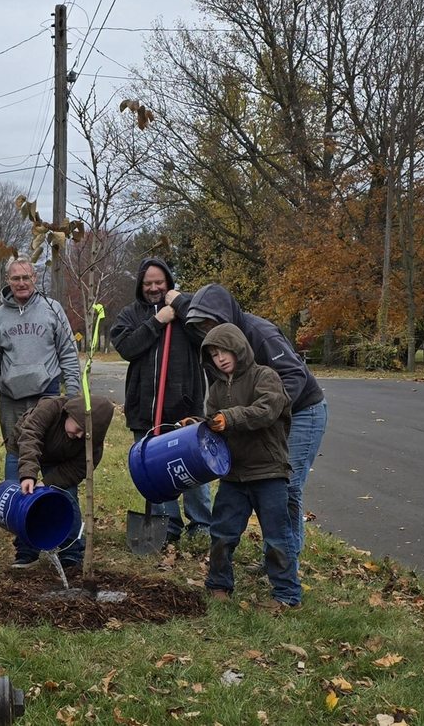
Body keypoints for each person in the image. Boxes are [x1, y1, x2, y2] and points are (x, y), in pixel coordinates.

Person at [185, 283, 328, 554]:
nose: (207, 332)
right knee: (254, 483)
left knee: (286, 486)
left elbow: (294, 375)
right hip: (255, 415)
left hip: (302, 410)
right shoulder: (215, 348)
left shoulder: (260, 333)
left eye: (210, 323)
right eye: (201, 327)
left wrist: (264, 412)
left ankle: (287, 562)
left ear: (225, 316)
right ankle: (274, 558)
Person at [0, 258, 81, 568]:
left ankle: (70, 549)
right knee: (17, 470)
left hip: (48, 396)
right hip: (13, 402)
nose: (22, 282)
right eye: (16, 278)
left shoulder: (52, 310)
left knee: (56, 471)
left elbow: (68, 352)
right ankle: (25, 548)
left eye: (26, 277)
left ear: (35, 277)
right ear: (8, 281)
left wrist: (75, 400)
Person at [196, 323, 300, 610]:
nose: (220, 358)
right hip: (233, 475)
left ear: (238, 346)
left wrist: (229, 418)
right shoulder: (216, 389)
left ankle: (288, 595)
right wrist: (196, 427)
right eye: (214, 354)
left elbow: (266, 411)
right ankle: (218, 584)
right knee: (221, 532)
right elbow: (212, 424)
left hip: (269, 472)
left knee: (277, 536)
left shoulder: (265, 376)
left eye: (224, 350)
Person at [109, 258, 211, 543]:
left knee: (192, 466)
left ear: (168, 283)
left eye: (159, 282)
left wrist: (178, 307)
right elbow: (127, 347)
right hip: (145, 410)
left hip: (185, 408)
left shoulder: (186, 310)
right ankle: (168, 525)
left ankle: (201, 525)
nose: (154, 288)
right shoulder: (131, 314)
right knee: (155, 471)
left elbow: (206, 332)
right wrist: (157, 321)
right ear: (140, 286)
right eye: (148, 283)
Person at [9, 395, 116, 570]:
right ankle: (26, 551)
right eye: (79, 428)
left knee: (68, 497)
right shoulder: (50, 407)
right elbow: (30, 435)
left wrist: (48, 482)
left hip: (59, 462)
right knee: (21, 499)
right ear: (71, 413)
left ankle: (71, 553)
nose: (79, 435)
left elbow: (75, 470)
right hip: (23, 449)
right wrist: (28, 474)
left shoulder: (92, 448)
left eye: (85, 434)